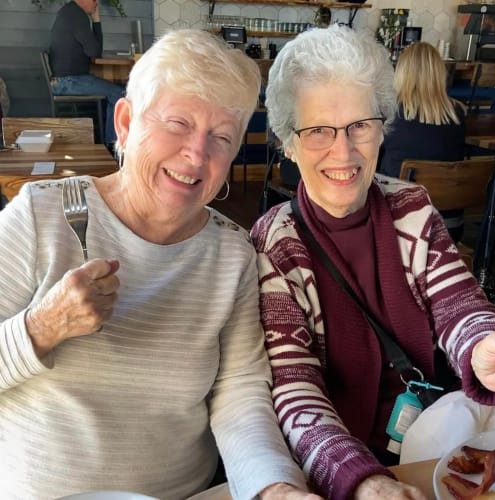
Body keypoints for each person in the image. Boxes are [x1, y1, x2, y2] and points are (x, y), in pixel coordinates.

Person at [0, 29, 319, 500]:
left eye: (221, 137)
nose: (196, 154)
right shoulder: (40, 216)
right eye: (177, 123)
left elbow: (240, 396)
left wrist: (273, 487)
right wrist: (42, 327)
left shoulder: (233, 254)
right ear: (125, 122)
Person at [250, 25, 495, 500]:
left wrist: (485, 344)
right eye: (318, 130)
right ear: (288, 141)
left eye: (360, 125)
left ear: (382, 127)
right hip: (334, 465)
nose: (343, 152)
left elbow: (458, 303)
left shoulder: (411, 205)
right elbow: (294, 387)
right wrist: (362, 480)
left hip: (432, 439)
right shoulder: (275, 245)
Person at [378, 41, 467, 242]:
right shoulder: (458, 114)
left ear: (401, 73)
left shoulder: (392, 114)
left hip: (401, 226)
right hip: (450, 226)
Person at [49, 0, 124, 145]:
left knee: (114, 92)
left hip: (66, 80)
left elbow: (95, 52)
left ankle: (110, 142)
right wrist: (96, 20)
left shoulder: (70, 12)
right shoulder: (76, 15)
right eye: (94, 0)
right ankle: (113, 146)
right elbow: (95, 52)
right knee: (119, 94)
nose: (97, 3)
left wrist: (95, 20)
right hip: (69, 81)